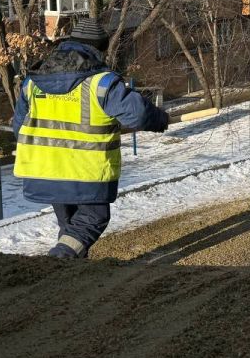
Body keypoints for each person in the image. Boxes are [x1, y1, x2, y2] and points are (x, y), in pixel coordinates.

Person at [12, 17, 169, 259]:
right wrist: (160, 120)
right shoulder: (101, 82)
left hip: (42, 171)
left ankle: (71, 277)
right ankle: (59, 258)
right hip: (85, 172)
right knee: (93, 219)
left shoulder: (32, 81)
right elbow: (137, 114)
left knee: (70, 227)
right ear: (98, 49)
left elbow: (19, 125)